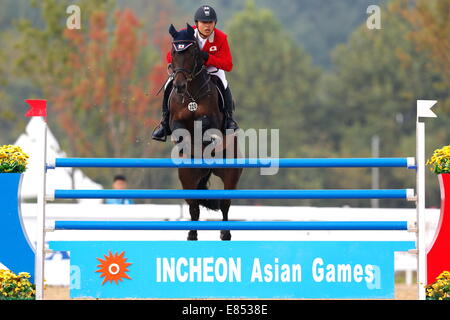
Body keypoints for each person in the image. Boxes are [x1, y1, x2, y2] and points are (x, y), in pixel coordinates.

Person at [152, 5, 239, 142]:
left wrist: (207, 58)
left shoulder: (221, 38)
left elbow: (228, 64)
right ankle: (164, 122)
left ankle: (229, 119)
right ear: (196, 23)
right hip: (188, 70)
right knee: (169, 84)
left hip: (212, 69)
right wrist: (180, 67)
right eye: (204, 22)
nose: (207, 26)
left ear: (215, 23)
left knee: (224, 83)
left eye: (210, 22)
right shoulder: (185, 34)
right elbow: (170, 57)